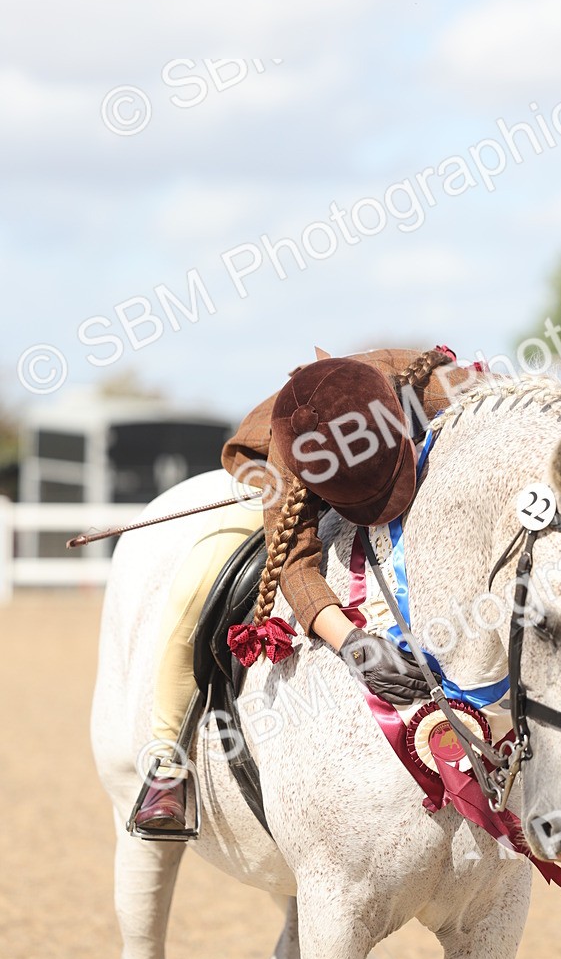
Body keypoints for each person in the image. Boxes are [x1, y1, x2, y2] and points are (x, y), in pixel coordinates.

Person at [134, 345, 481, 831]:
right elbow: (293, 564)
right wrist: (352, 643)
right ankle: (166, 766)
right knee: (193, 587)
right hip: (280, 483)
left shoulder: (440, 389)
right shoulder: (285, 456)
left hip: (407, 461)